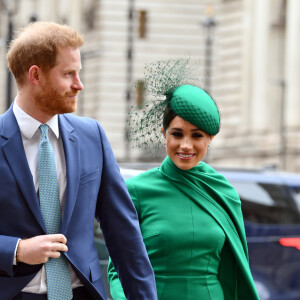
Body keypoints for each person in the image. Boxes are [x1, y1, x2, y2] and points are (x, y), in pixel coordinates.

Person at [0, 21, 157, 300]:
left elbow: (124, 233)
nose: (79, 85)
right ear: (35, 75)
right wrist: (16, 251)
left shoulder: (91, 136)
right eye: (69, 74)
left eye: (78, 73)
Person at [107, 59, 260, 299]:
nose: (186, 145)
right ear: (163, 133)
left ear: (209, 139)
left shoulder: (223, 192)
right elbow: (118, 269)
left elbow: (235, 270)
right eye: (177, 134)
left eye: (196, 136)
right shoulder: (135, 190)